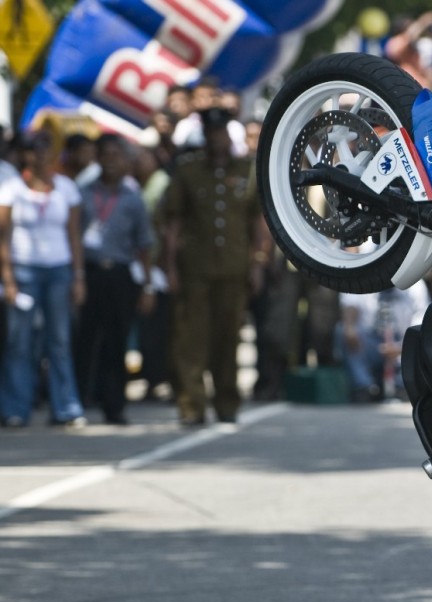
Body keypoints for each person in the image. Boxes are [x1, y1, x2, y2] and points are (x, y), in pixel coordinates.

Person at [163, 107, 268, 426]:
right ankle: (192, 405)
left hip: (234, 268)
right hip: (195, 267)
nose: (216, 138)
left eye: (221, 132)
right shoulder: (188, 170)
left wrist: (259, 263)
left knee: (227, 339)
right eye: (211, 133)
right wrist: (169, 266)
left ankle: (227, 403)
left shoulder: (247, 169)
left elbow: (257, 222)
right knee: (192, 340)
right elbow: (173, 222)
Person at [0, 131, 86, 429]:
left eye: (45, 150)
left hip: (59, 270)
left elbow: (74, 236)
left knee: (59, 340)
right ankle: (15, 408)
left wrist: (78, 276)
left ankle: (66, 406)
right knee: (19, 343)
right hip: (24, 271)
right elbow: (3, 236)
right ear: (25, 155)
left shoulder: (66, 188)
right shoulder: (11, 188)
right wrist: (8, 279)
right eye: (33, 150)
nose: (40, 156)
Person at [74, 135, 154, 425]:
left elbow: (144, 244)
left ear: (124, 160)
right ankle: (78, 402)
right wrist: (77, 276)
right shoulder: (82, 192)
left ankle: (114, 405)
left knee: (116, 341)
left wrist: (147, 285)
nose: (110, 160)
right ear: (97, 158)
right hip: (89, 273)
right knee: (84, 340)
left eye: (115, 154)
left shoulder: (132, 198)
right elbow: (73, 236)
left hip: (119, 274)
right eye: (104, 154)